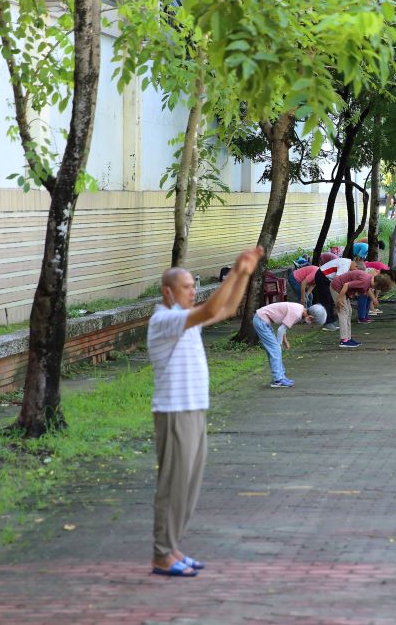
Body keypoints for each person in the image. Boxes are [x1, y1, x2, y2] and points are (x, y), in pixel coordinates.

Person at [148, 246, 263, 578]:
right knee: (173, 484)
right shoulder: (166, 319)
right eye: (186, 287)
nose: (192, 291)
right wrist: (235, 271)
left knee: (188, 485)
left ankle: (172, 547)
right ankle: (160, 554)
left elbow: (225, 309)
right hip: (174, 411)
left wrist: (243, 274)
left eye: (193, 285)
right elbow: (212, 305)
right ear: (167, 292)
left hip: (193, 409)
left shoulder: (184, 320)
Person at [252, 302, 327, 388]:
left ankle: (280, 376)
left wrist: (285, 340)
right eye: (312, 323)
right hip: (261, 321)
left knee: (274, 351)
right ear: (310, 318)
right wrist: (279, 345)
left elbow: (283, 325)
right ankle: (278, 380)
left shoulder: (299, 309)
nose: (310, 324)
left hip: (262, 320)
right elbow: (280, 330)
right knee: (276, 350)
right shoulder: (296, 314)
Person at [331, 270, 395, 348]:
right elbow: (346, 285)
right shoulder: (365, 282)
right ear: (376, 285)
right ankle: (344, 340)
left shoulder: (369, 279)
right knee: (343, 313)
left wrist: (374, 299)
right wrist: (340, 298)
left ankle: (348, 337)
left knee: (349, 312)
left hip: (341, 288)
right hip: (337, 287)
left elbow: (367, 289)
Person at [313, 257, 357, 330]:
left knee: (330, 300)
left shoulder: (347, 263)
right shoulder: (345, 265)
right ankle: (327, 323)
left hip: (326, 278)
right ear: (356, 265)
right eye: (355, 270)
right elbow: (338, 280)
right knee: (326, 301)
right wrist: (340, 295)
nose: (354, 271)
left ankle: (332, 320)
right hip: (322, 277)